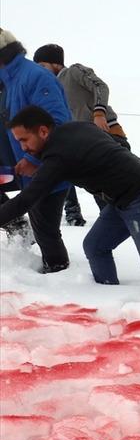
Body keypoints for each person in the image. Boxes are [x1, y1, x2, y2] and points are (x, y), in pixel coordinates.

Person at [0, 106, 140, 305]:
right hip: (123, 198)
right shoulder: (76, 128)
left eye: (24, 140)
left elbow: (26, 199)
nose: (23, 148)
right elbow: (114, 146)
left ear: (43, 131)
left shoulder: (58, 157)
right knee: (95, 246)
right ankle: (110, 299)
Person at [33, 43, 132, 226]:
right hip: (82, 143)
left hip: (106, 134)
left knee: (112, 183)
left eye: (43, 66)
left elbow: (100, 86)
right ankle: (74, 212)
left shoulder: (74, 72)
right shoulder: (51, 88)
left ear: (55, 64)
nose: (41, 71)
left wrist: (99, 112)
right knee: (69, 172)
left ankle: (125, 214)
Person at [0, 28, 73, 271]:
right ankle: (19, 229)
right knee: (39, 224)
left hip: (45, 167)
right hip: (18, 165)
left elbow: (56, 124)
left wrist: (34, 158)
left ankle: (58, 274)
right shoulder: (9, 79)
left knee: (46, 230)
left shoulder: (35, 77)